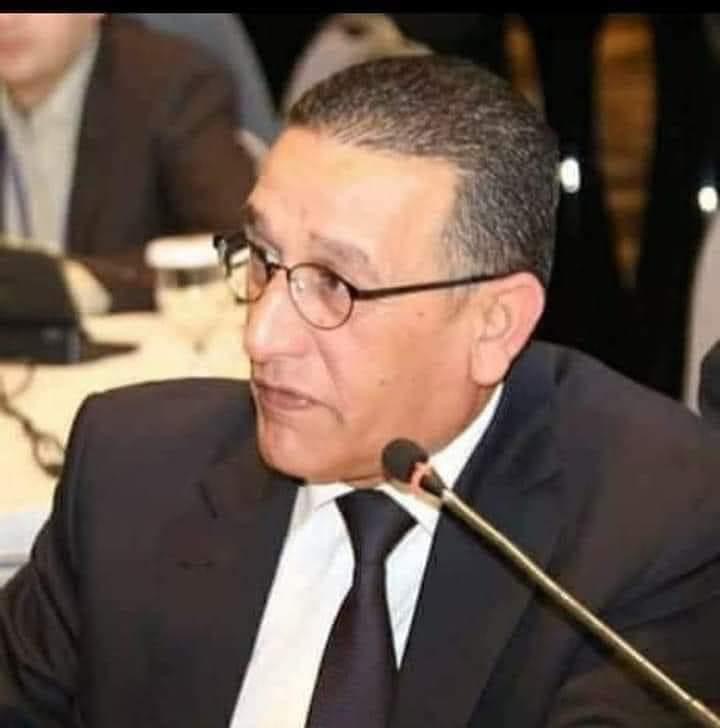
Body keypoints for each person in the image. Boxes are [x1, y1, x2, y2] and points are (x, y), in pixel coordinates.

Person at [2, 54, 720, 728]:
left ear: (494, 323)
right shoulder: (131, 472)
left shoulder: (652, 527)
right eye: (263, 258)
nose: (261, 335)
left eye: (335, 284)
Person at [0, 13, 255, 311]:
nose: (7, 20)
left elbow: (240, 246)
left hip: (142, 334)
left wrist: (83, 285)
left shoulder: (172, 84)